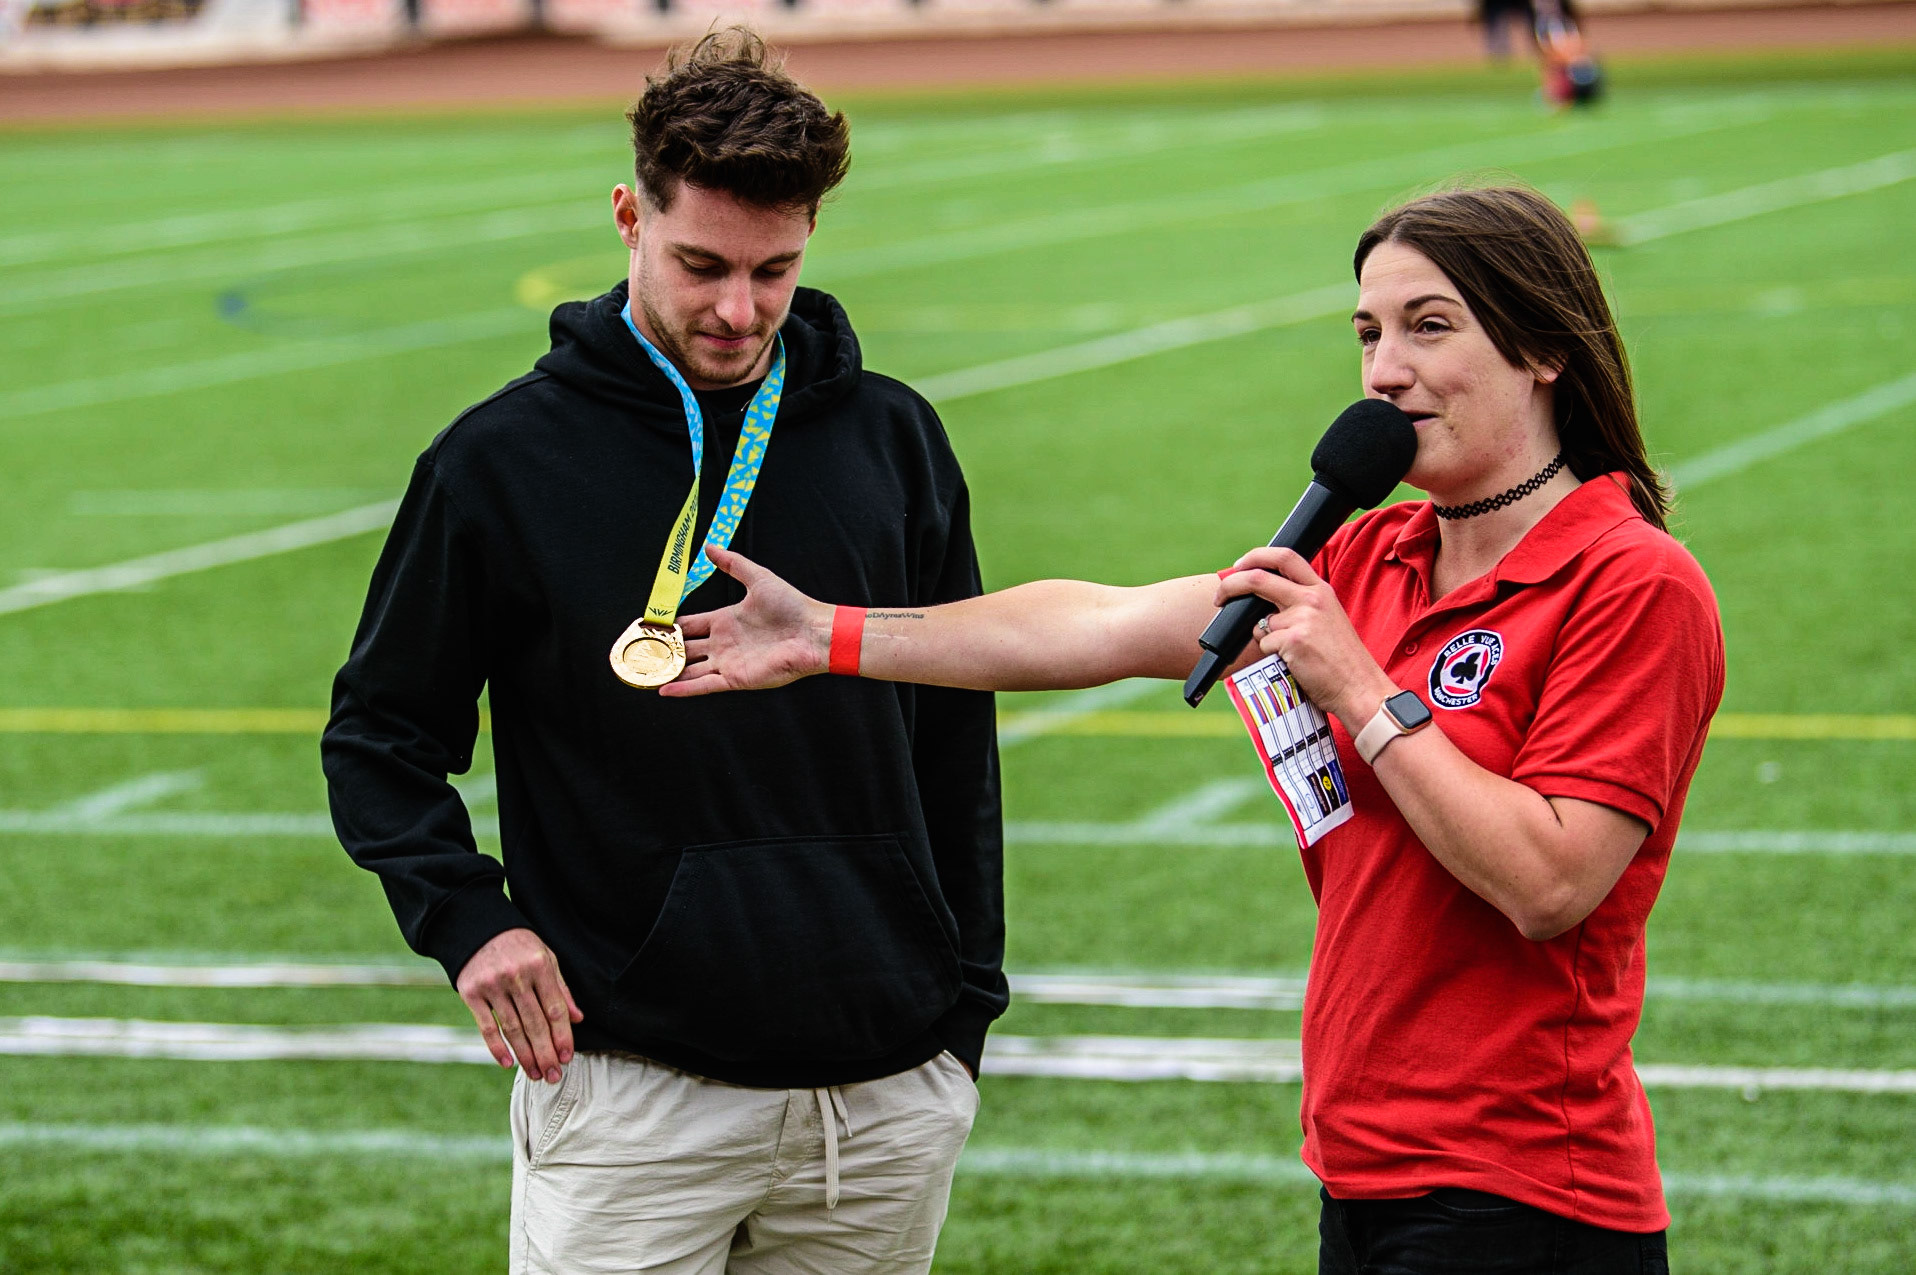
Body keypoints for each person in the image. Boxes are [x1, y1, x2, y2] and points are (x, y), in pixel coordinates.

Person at [667, 185, 1723, 1274]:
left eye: (1428, 326)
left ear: (1542, 345)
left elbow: (1549, 885)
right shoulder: (1365, 558)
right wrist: (828, 636)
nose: (1382, 371)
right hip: (1362, 1169)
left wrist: (1360, 691)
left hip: (1526, 1196)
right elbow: (1096, 622)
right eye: (1367, 331)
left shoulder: (1629, 580)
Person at [321, 30, 1003, 1275]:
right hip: (635, 1091)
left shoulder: (892, 436)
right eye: (700, 264)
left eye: (774, 269)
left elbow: (954, 721)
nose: (737, 309)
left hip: (887, 1090)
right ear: (629, 215)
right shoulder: (499, 463)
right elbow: (379, 735)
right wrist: (468, 919)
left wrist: (963, 1006)